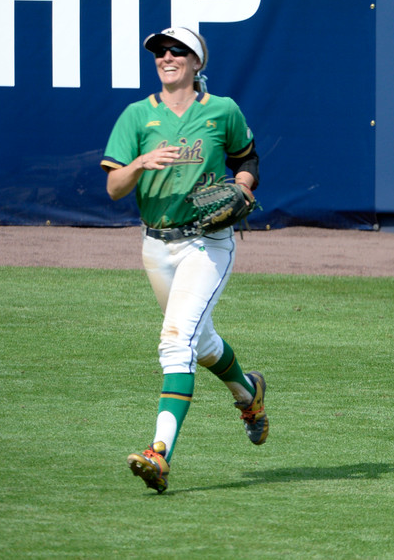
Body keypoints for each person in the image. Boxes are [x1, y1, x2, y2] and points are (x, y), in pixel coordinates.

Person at [101, 27, 268, 494]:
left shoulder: (222, 110)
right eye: (160, 51)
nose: (167, 56)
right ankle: (249, 393)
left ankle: (159, 453)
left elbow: (248, 158)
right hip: (156, 246)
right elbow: (113, 188)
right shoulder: (137, 116)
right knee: (201, 340)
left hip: (207, 243)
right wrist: (139, 163)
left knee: (176, 342)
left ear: (197, 62)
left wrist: (243, 185)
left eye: (178, 50)